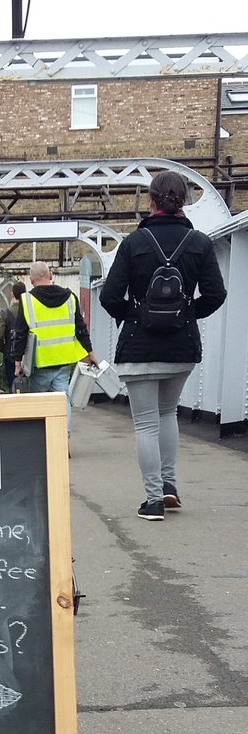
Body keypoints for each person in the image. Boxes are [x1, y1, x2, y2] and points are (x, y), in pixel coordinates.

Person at [99, 170, 227, 520]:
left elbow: (110, 296)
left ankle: (153, 500)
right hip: (180, 348)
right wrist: (187, 314)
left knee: (145, 424)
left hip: (139, 348)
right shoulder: (199, 243)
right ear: (183, 200)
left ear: (152, 201)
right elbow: (216, 294)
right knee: (168, 414)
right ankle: (170, 488)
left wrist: (134, 316)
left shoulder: (133, 243)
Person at [13, 261, 98, 442]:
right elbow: (81, 329)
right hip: (64, 360)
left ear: (31, 279)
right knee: (63, 400)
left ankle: (44, 440)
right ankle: (63, 437)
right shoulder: (70, 297)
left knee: (42, 402)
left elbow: (19, 334)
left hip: (40, 362)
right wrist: (90, 352)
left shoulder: (27, 300)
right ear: (51, 275)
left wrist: (17, 363)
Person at [0, 279, 26, 391]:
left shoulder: (6, 313)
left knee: (12, 384)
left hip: (10, 354)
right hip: (26, 355)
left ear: (12, 294)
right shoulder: (30, 311)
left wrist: (3, 349)